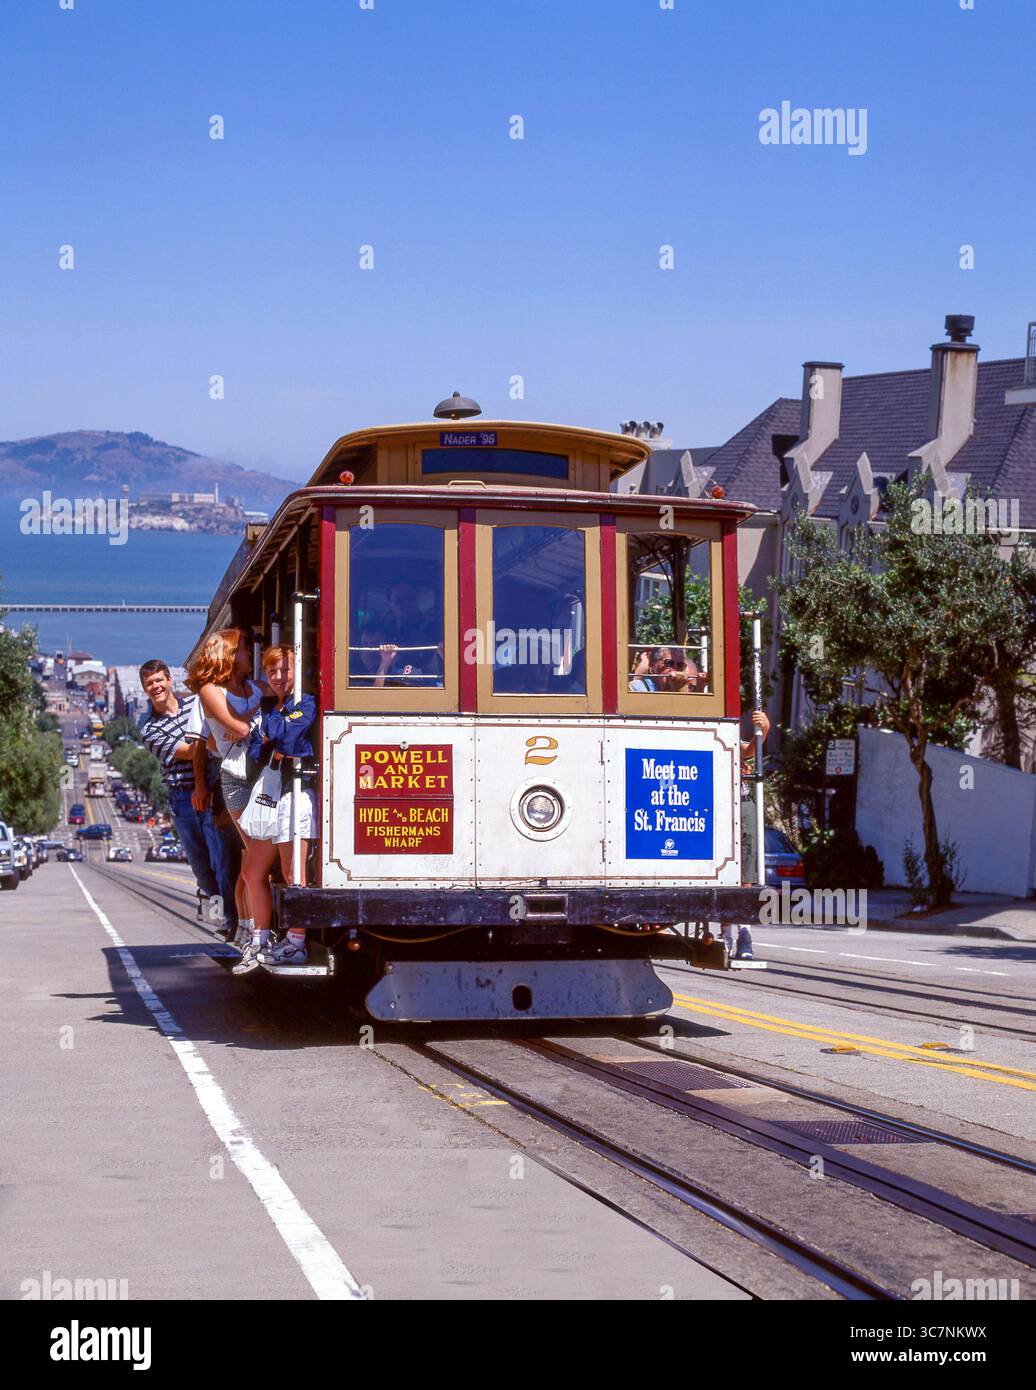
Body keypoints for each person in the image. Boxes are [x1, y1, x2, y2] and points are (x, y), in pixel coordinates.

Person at [138, 659, 238, 939]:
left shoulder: (195, 703)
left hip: (211, 791)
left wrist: (207, 740)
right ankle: (220, 916)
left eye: (159, 680)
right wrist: (207, 738)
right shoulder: (150, 730)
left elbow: (206, 741)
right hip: (182, 799)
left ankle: (231, 919)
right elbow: (193, 750)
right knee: (200, 867)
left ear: (170, 680)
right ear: (145, 689)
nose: (155, 686)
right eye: (149, 683)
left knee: (222, 858)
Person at [234, 646, 318, 973]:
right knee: (252, 872)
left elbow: (288, 735)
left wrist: (272, 733)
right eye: (272, 672)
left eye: (285, 670)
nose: (279, 678)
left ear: (298, 670)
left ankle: (296, 942)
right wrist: (273, 734)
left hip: (295, 796)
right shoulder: (273, 707)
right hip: (273, 794)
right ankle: (260, 939)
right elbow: (257, 749)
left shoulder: (306, 702)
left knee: (292, 872)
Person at [186, 629, 267, 950]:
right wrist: (262, 717)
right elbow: (240, 728)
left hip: (265, 777)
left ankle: (247, 929)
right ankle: (250, 929)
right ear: (230, 655)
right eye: (246, 648)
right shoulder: (209, 691)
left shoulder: (251, 687)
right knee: (254, 859)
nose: (251, 654)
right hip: (237, 780)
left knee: (251, 860)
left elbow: (284, 687)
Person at [725, 708, 771, 962]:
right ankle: (724, 933)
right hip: (717, 803)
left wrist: (763, 730)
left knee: (745, 874)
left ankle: (744, 932)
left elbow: (748, 750)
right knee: (722, 875)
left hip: (741, 804)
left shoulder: (729, 731)